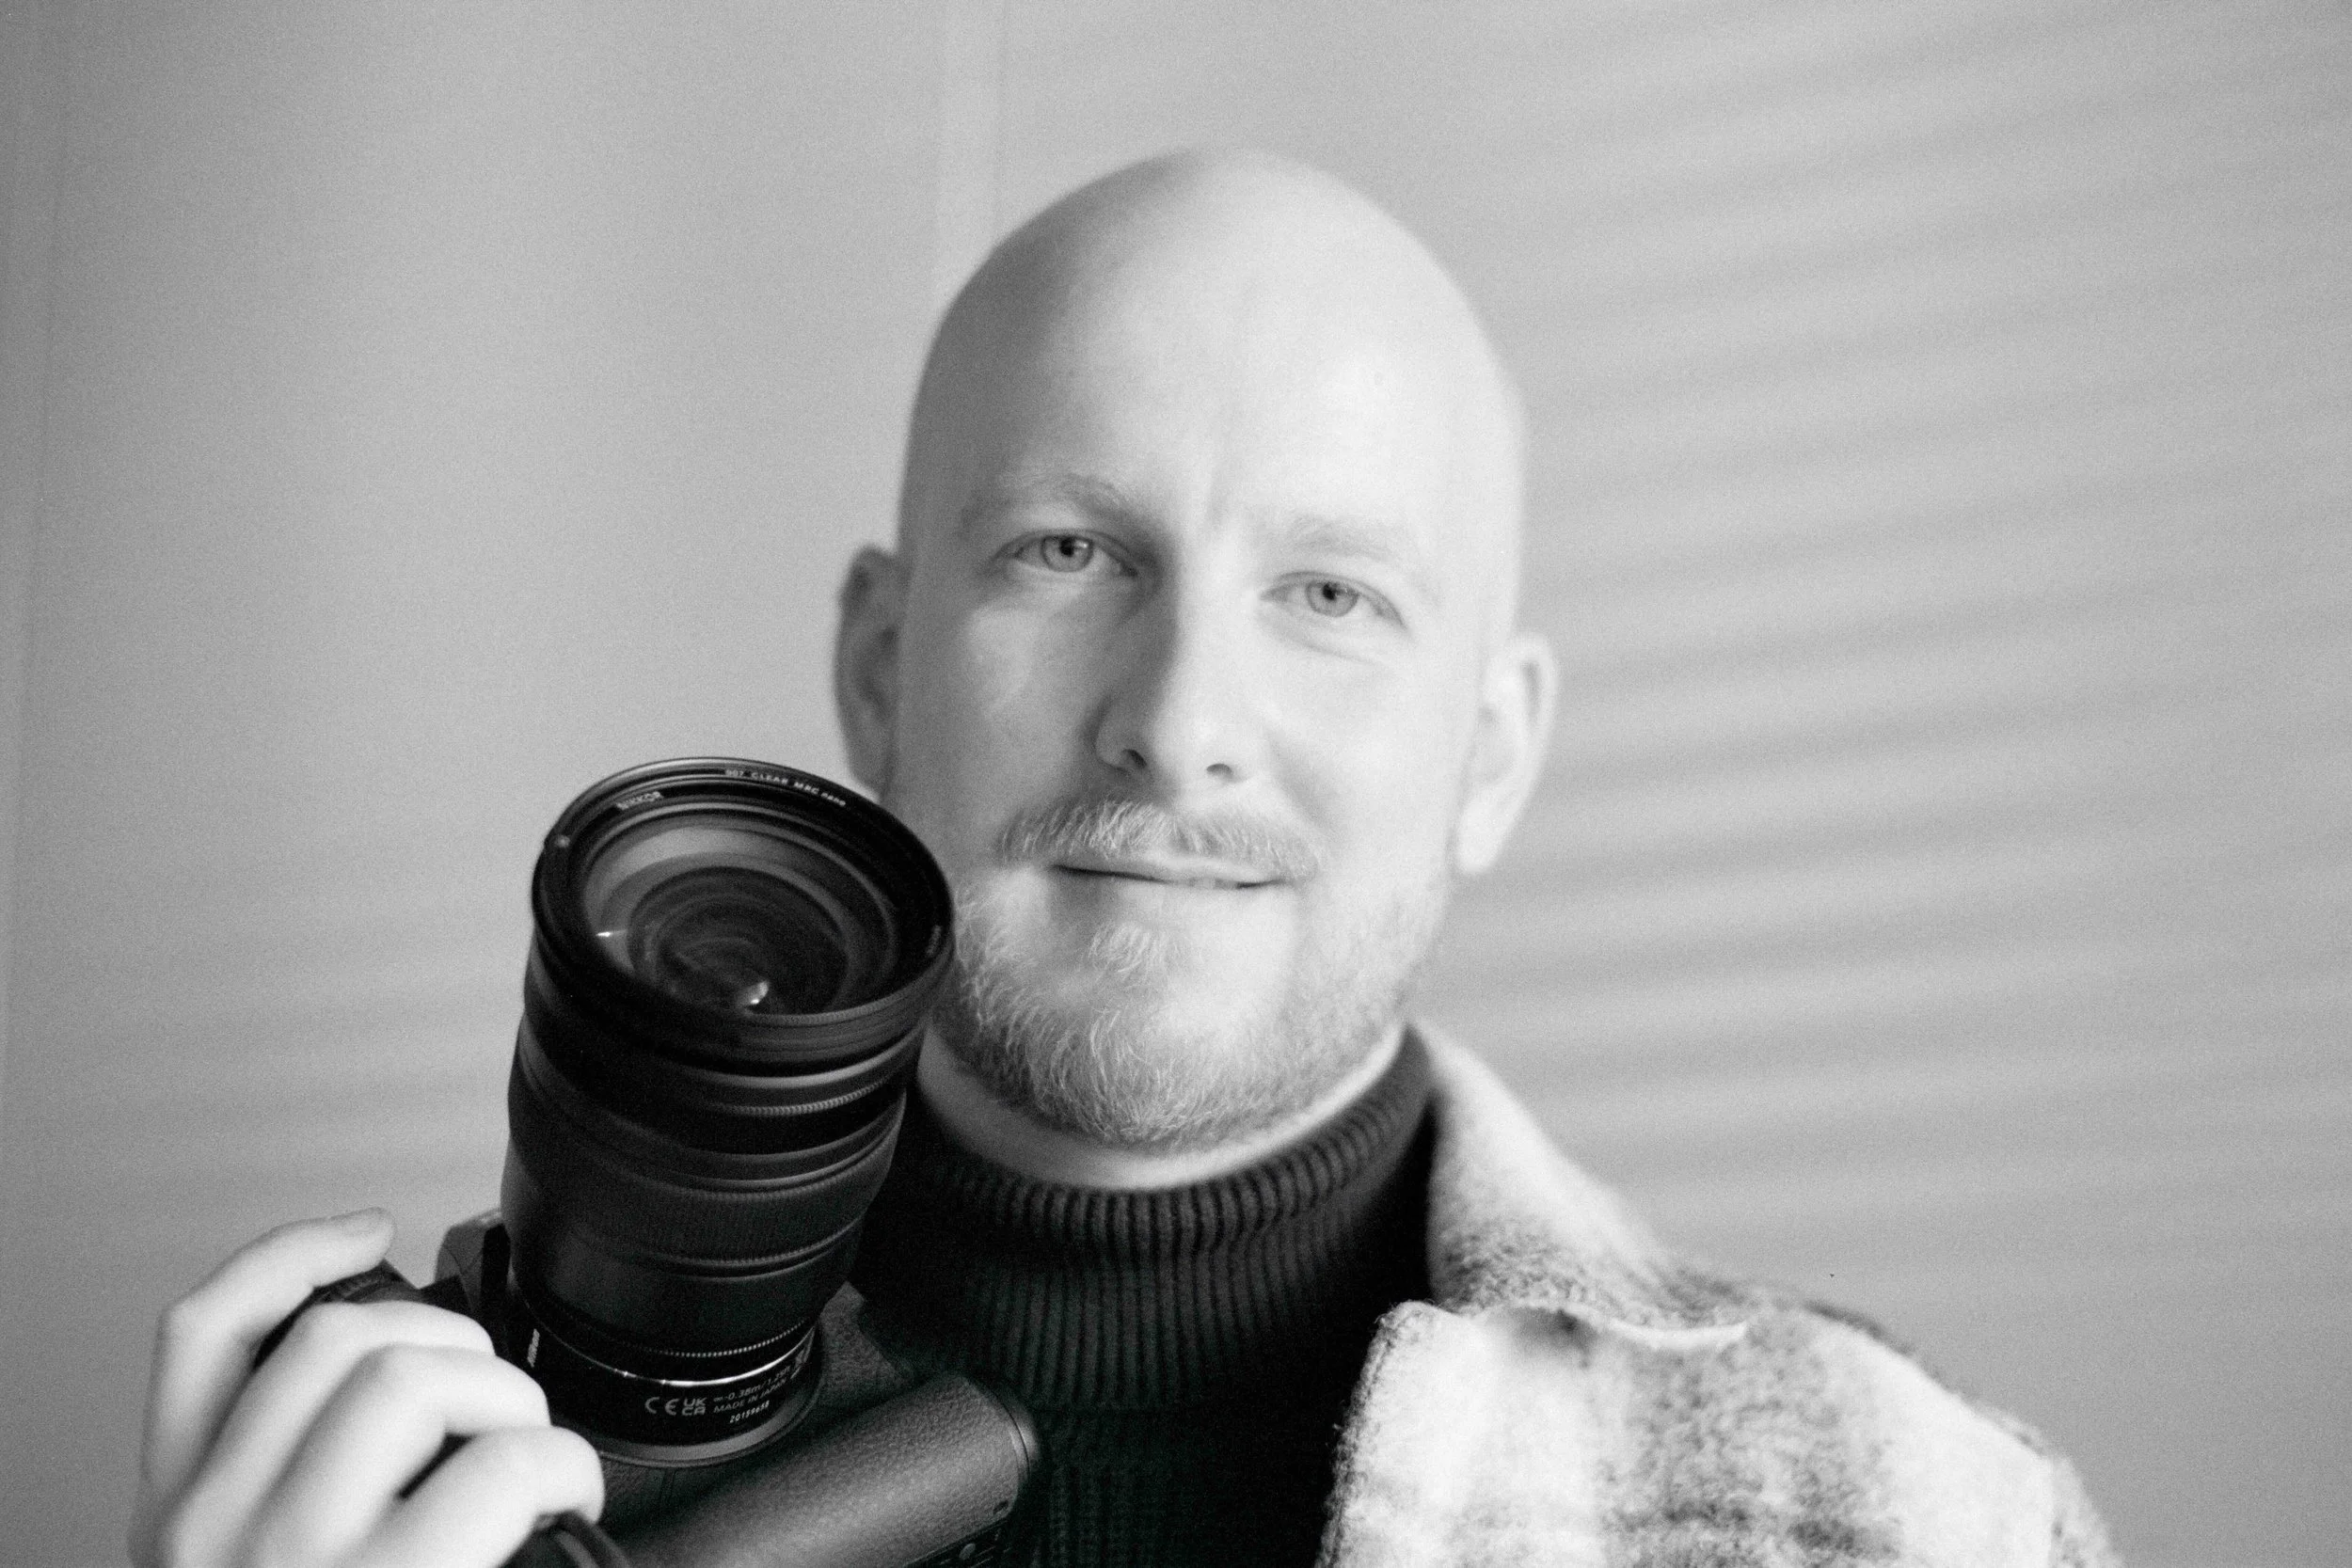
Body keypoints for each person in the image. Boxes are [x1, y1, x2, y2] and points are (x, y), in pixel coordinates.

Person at [131, 150, 2117, 1568]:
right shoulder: (397, 1487)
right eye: (1070, 551)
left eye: (1330, 593)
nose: (1180, 717)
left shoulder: (1905, 1512)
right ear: (879, 669)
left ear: (1492, 752)